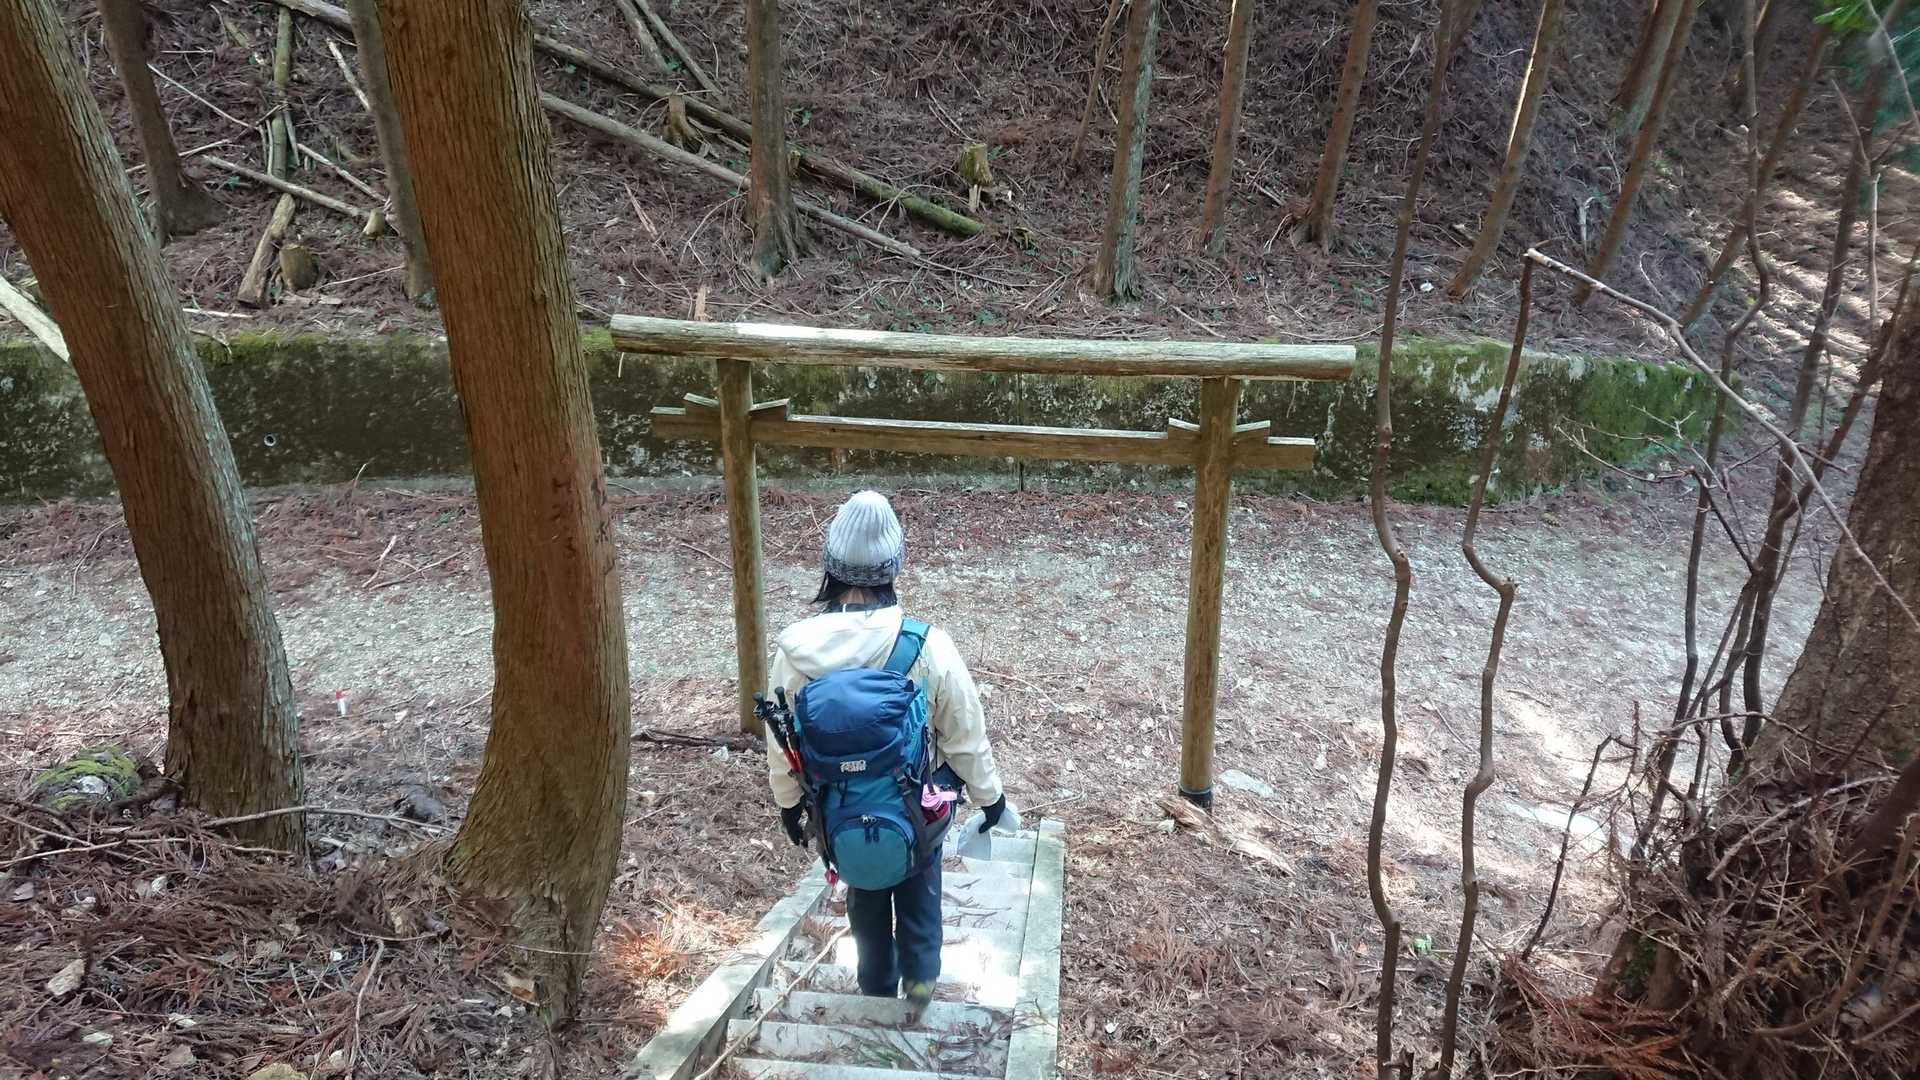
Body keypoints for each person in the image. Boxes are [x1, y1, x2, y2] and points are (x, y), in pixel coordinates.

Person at [766, 490, 1007, 1017]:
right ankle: (919, 992)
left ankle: (875, 992)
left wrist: (788, 804)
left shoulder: (796, 653)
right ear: (895, 566)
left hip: (840, 813)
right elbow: (965, 735)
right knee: (921, 893)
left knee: (865, 895)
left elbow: (783, 743)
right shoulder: (927, 645)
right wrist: (991, 798)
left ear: (829, 566)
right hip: (917, 811)